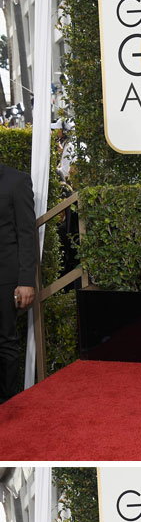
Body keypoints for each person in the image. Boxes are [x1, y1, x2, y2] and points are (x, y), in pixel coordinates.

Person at [0, 163, 36, 403]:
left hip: (5, 278)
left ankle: (7, 405)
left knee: (4, 341)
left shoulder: (17, 181)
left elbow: (26, 233)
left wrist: (26, 281)